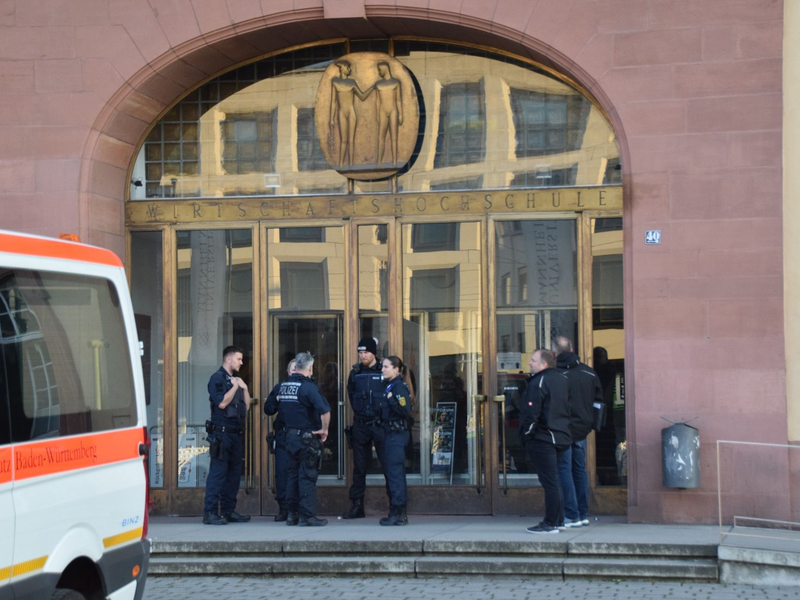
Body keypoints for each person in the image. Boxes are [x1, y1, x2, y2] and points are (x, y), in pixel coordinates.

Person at [519, 349, 571, 534]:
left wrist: (527, 434)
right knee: (554, 480)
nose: (530, 363)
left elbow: (532, 413)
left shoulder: (539, 381)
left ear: (543, 364)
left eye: (533, 360)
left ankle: (551, 522)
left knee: (550, 481)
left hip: (544, 438)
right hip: (560, 436)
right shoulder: (562, 379)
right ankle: (558, 521)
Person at [276, 352, 331, 526]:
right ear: (310, 367)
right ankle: (307, 516)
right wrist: (324, 429)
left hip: (289, 438)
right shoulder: (308, 387)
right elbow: (325, 410)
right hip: (306, 439)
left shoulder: (284, 386)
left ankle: (292, 514)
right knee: (307, 476)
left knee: (292, 476)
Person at [553, 336, 603, 528]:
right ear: (572, 348)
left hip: (563, 428)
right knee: (579, 470)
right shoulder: (588, 373)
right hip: (582, 429)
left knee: (564, 469)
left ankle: (571, 514)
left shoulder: (555, 374)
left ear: (555, 352)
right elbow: (598, 401)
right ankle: (582, 513)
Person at [203, 345, 252, 525]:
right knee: (218, 473)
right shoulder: (217, 378)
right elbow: (222, 403)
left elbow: (246, 407)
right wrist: (234, 387)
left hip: (235, 434)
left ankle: (228, 510)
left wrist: (244, 389)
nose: (241, 362)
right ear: (228, 359)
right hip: (221, 433)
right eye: (239, 359)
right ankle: (210, 512)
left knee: (233, 475)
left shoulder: (236, 380)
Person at [342, 336, 384, 519]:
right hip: (361, 424)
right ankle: (357, 505)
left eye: (366, 352)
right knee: (359, 467)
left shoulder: (384, 369)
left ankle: (396, 506)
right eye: (360, 352)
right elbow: (351, 395)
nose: (362, 355)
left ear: (373, 352)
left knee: (388, 465)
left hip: (380, 424)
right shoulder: (355, 372)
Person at [377, 356, 413, 526]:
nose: (382, 369)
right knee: (392, 474)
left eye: (386, 367)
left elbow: (405, 410)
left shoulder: (398, 387)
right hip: (389, 434)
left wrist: (391, 398)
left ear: (396, 369)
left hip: (396, 435)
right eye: (382, 367)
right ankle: (395, 511)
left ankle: (398, 512)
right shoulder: (390, 386)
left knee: (395, 474)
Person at [264, 358, 296, 522]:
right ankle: (283, 508)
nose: (294, 372)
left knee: (298, 474)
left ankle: (295, 509)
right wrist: (276, 400)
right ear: (288, 372)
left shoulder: (307, 388)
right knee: (282, 473)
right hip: (283, 436)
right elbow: (268, 409)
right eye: (292, 369)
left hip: (299, 437)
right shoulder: (280, 389)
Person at [330, 60, 372, 167]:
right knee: (343, 140)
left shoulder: (352, 82)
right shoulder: (335, 82)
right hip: (341, 113)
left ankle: (352, 164)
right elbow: (333, 102)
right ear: (342, 68)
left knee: (351, 140)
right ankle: (341, 164)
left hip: (351, 112)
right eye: (348, 67)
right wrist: (331, 118)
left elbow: (362, 96)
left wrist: (372, 88)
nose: (350, 69)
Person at [375, 61, 403, 165]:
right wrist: (377, 115)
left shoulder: (395, 83)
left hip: (393, 110)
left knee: (394, 136)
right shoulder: (378, 84)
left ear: (385, 69)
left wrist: (400, 114)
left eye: (379, 70)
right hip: (383, 111)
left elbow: (399, 100)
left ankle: (395, 160)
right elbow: (377, 101)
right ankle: (379, 161)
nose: (379, 72)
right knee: (381, 136)